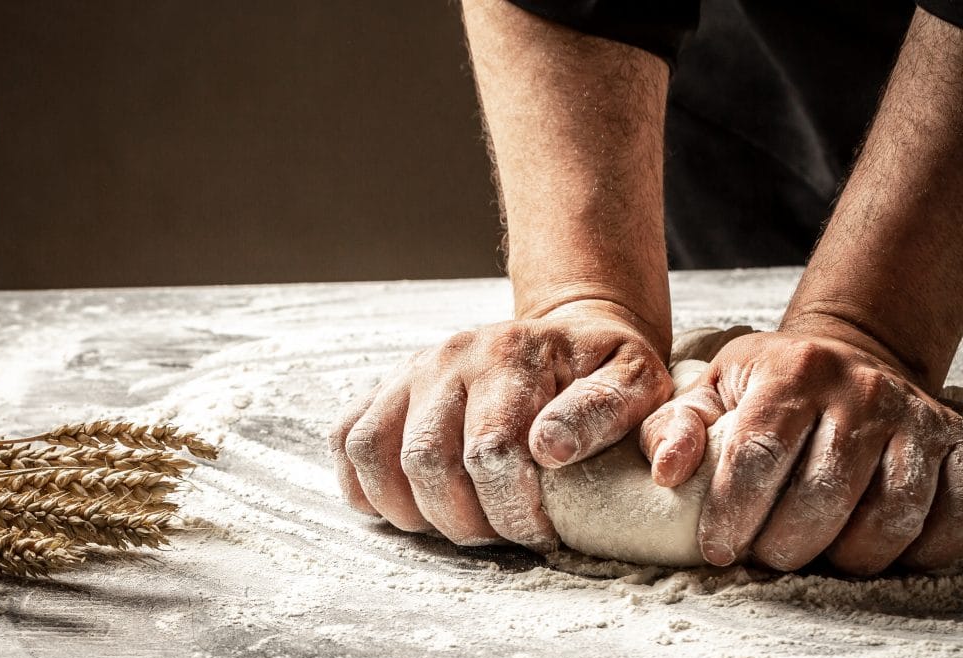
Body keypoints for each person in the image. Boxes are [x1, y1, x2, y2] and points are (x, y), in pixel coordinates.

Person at [329, 0, 963, 575]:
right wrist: (584, 298)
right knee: (783, 450)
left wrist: (871, 328)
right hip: (741, 95)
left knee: (833, 452)